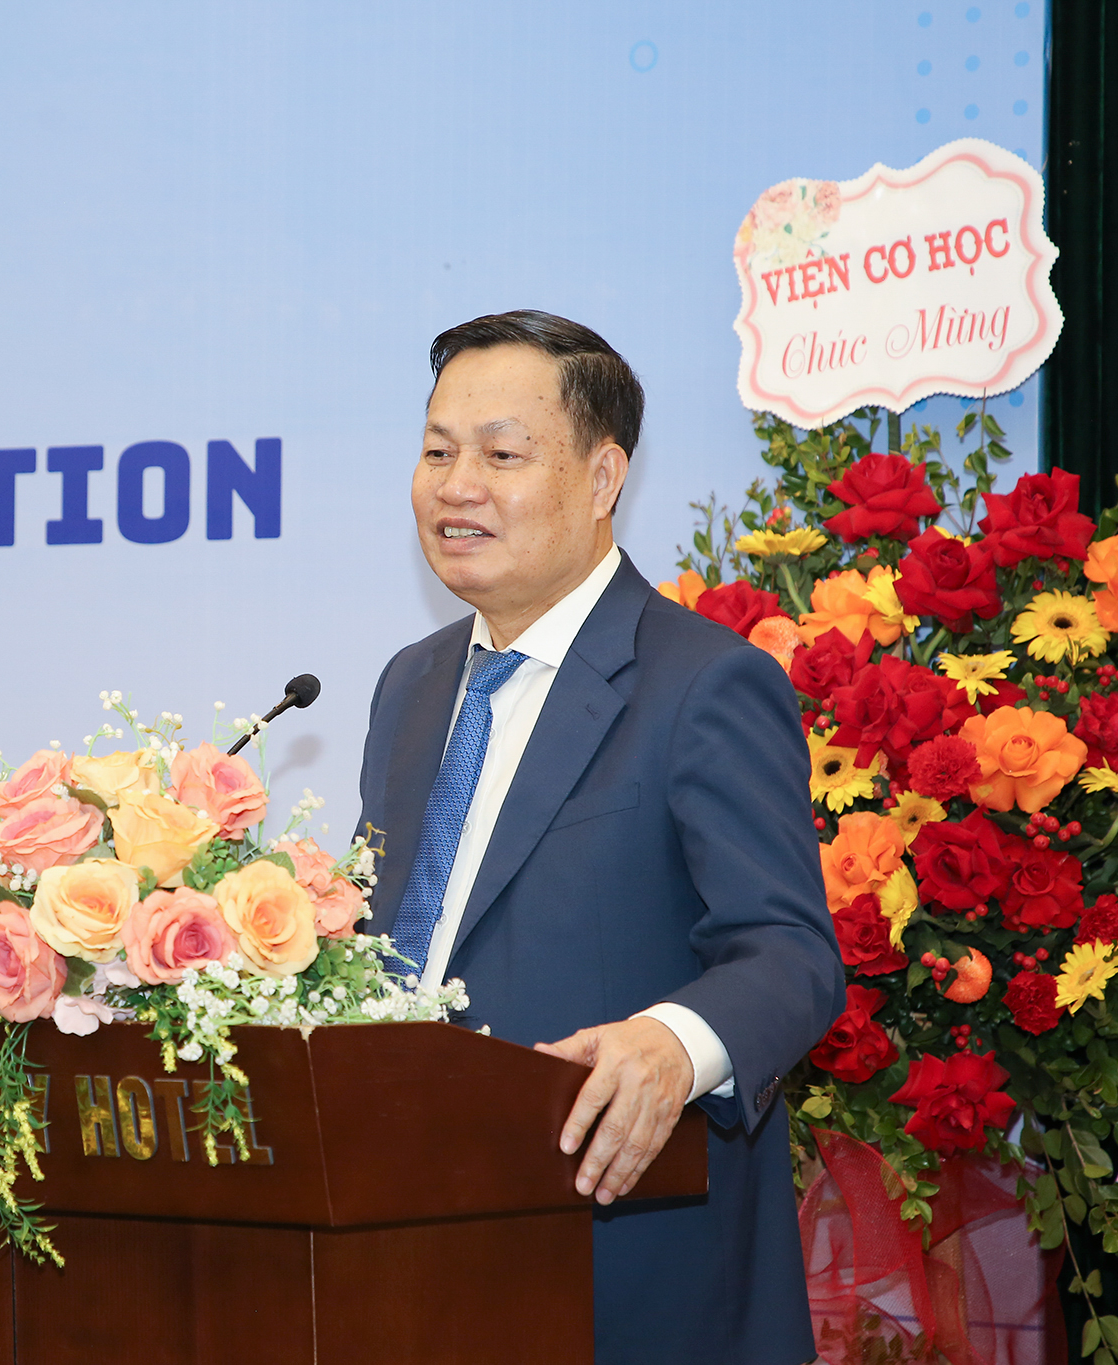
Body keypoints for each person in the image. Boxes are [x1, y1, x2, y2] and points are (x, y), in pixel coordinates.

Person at [355, 310, 845, 1364]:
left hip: (617, 1263)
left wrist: (673, 1043)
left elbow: (790, 954)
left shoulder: (704, 682)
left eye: (500, 455)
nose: (455, 485)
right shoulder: (410, 684)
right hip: (405, 1250)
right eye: (436, 452)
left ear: (601, 477)